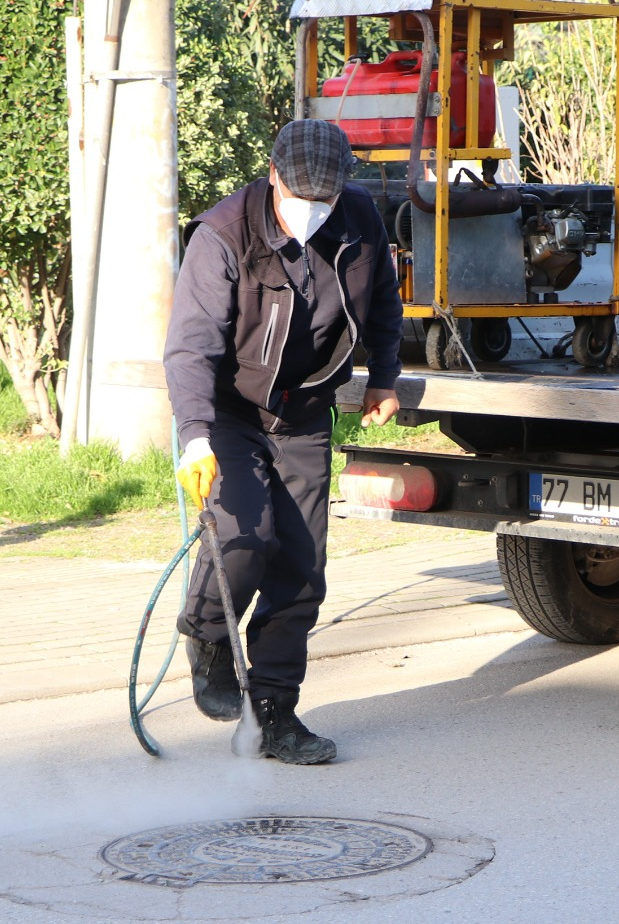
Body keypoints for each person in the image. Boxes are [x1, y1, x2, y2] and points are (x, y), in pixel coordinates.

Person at [164, 119, 402, 765]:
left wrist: (384, 377)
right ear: (272, 177)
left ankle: (275, 714)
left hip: (303, 411)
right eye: (300, 197)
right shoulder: (222, 234)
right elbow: (189, 348)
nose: (313, 212)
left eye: (324, 199)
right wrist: (193, 438)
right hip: (229, 413)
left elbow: (382, 297)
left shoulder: (357, 218)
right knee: (248, 537)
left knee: (301, 568)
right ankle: (209, 636)